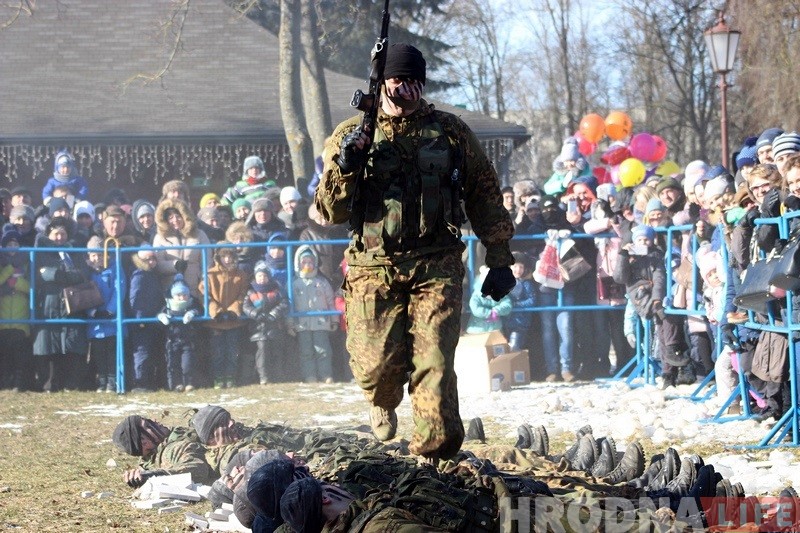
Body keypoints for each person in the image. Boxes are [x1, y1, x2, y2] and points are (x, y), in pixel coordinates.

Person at [315, 43, 514, 461]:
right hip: (373, 267)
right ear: (381, 83)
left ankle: (434, 457)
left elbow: (484, 192)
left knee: (435, 364)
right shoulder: (353, 134)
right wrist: (345, 166)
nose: (404, 89)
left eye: (413, 81)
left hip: (435, 264)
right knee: (377, 370)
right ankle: (382, 400)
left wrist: (499, 257)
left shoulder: (450, 131)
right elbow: (328, 212)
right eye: (396, 79)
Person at [32, 217, 90, 392]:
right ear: (49, 234)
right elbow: (40, 273)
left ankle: (70, 382)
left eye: (62, 234)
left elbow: (81, 274)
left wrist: (56, 275)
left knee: (69, 344)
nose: (59, 238)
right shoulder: (41, 252)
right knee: (49, 344)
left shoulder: (73, 252)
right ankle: (49, 383)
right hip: (49, 304)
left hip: (70, 304)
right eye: (56, 234)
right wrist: (61, 275)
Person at [112, 415, 215, 487]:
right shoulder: (174, 449)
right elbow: (197, 470)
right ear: (144, 443)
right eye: (148, 424)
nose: (154, 420)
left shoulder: (150, 460)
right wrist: (153, 477)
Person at [199, 243, 249, 389]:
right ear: (218, 257)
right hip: (216, 322)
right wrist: (217, 311)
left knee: (233, 352)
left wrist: (235, 310)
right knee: (218, 353)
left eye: (230, 256)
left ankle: (231, 377)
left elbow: (243, 294)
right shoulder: (210, 274)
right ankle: (218, 378)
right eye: (224, 256)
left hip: (234, 321)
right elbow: (204, 294)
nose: (227, 259)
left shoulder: (241, 275)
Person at [85, 235, 127, 393]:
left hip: (111, 318)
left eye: (100, 254)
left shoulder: (114, 267)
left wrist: (110, 310)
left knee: (112, 352)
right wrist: (92, 311)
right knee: (98, 353)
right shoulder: (88, 272)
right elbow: (84, 293)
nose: (97, 258)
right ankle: (101, 381)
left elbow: (119, 288)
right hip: (95, 320)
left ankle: (112, 381)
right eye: (94, 255)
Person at [291, 246, 337, 383]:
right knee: (306, 352)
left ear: (315, 263)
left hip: (320, 322)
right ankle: (310, 376)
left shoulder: (322, 282)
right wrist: (290, 324)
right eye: (304, 262)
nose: (307, 265)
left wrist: (334, 320)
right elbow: (289, 303)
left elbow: (330, 301)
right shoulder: (294, 283)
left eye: (310, 262)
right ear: (298, 264)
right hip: (302, 324)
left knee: (323, 350)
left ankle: (326, 375)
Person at [153, 198, 211, 300]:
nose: (175, 220)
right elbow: (158, 264)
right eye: (170, 217)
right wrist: (174, 265)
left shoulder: (199, 234)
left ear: (185, 216)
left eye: (178, 216)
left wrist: (204, 280)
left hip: (196, 291)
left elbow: (207, 262)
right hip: (170, 293)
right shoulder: (159, 238)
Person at [243, 260, 287, 385]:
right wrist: (255, 314)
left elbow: (284, 303)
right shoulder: (251, 292)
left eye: (264, 276)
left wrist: (273, 314)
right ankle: (263, 376)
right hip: (258, 328)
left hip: (273, 326)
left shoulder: (276, 290)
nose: (262, 278)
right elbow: (245, 307)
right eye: (259, 276)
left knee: (276, 351)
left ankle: (277, 375)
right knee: (262, 351)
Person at [156, 274, 202, 392]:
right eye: (178, 295)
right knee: (173, 363)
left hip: (188, 340)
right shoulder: (167, 306)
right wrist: (162, 317)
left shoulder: (192, 303)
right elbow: (159, 317)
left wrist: (192, 313)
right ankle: (176, 384)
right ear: (173, 295)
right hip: (172, 340)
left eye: (184, 294)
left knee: (187, 363)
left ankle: (189, 383)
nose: (182, 297)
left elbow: (200, 310)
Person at [0, 227, 32, 391]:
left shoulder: (27, 263)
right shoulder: (2, 263)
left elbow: (31, 288)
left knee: (19, 354)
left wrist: (16, 284)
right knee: (5, 355)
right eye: (9, 244)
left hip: (21, 318)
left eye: (15, 243)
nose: (12, 247)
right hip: (3, 319)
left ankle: (18, 384)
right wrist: (9, 270)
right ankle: (5, 382)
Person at [129, 246, 165, 391]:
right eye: (147, 259)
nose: (151, 261)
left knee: (149, 351)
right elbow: (135, 298)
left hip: (153, 318)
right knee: (142, 351)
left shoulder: (151, 274)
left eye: (153, 258)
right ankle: (140, 382)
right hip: (143, 320)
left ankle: (149, 381)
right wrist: (140, 319)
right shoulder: (139, 275)